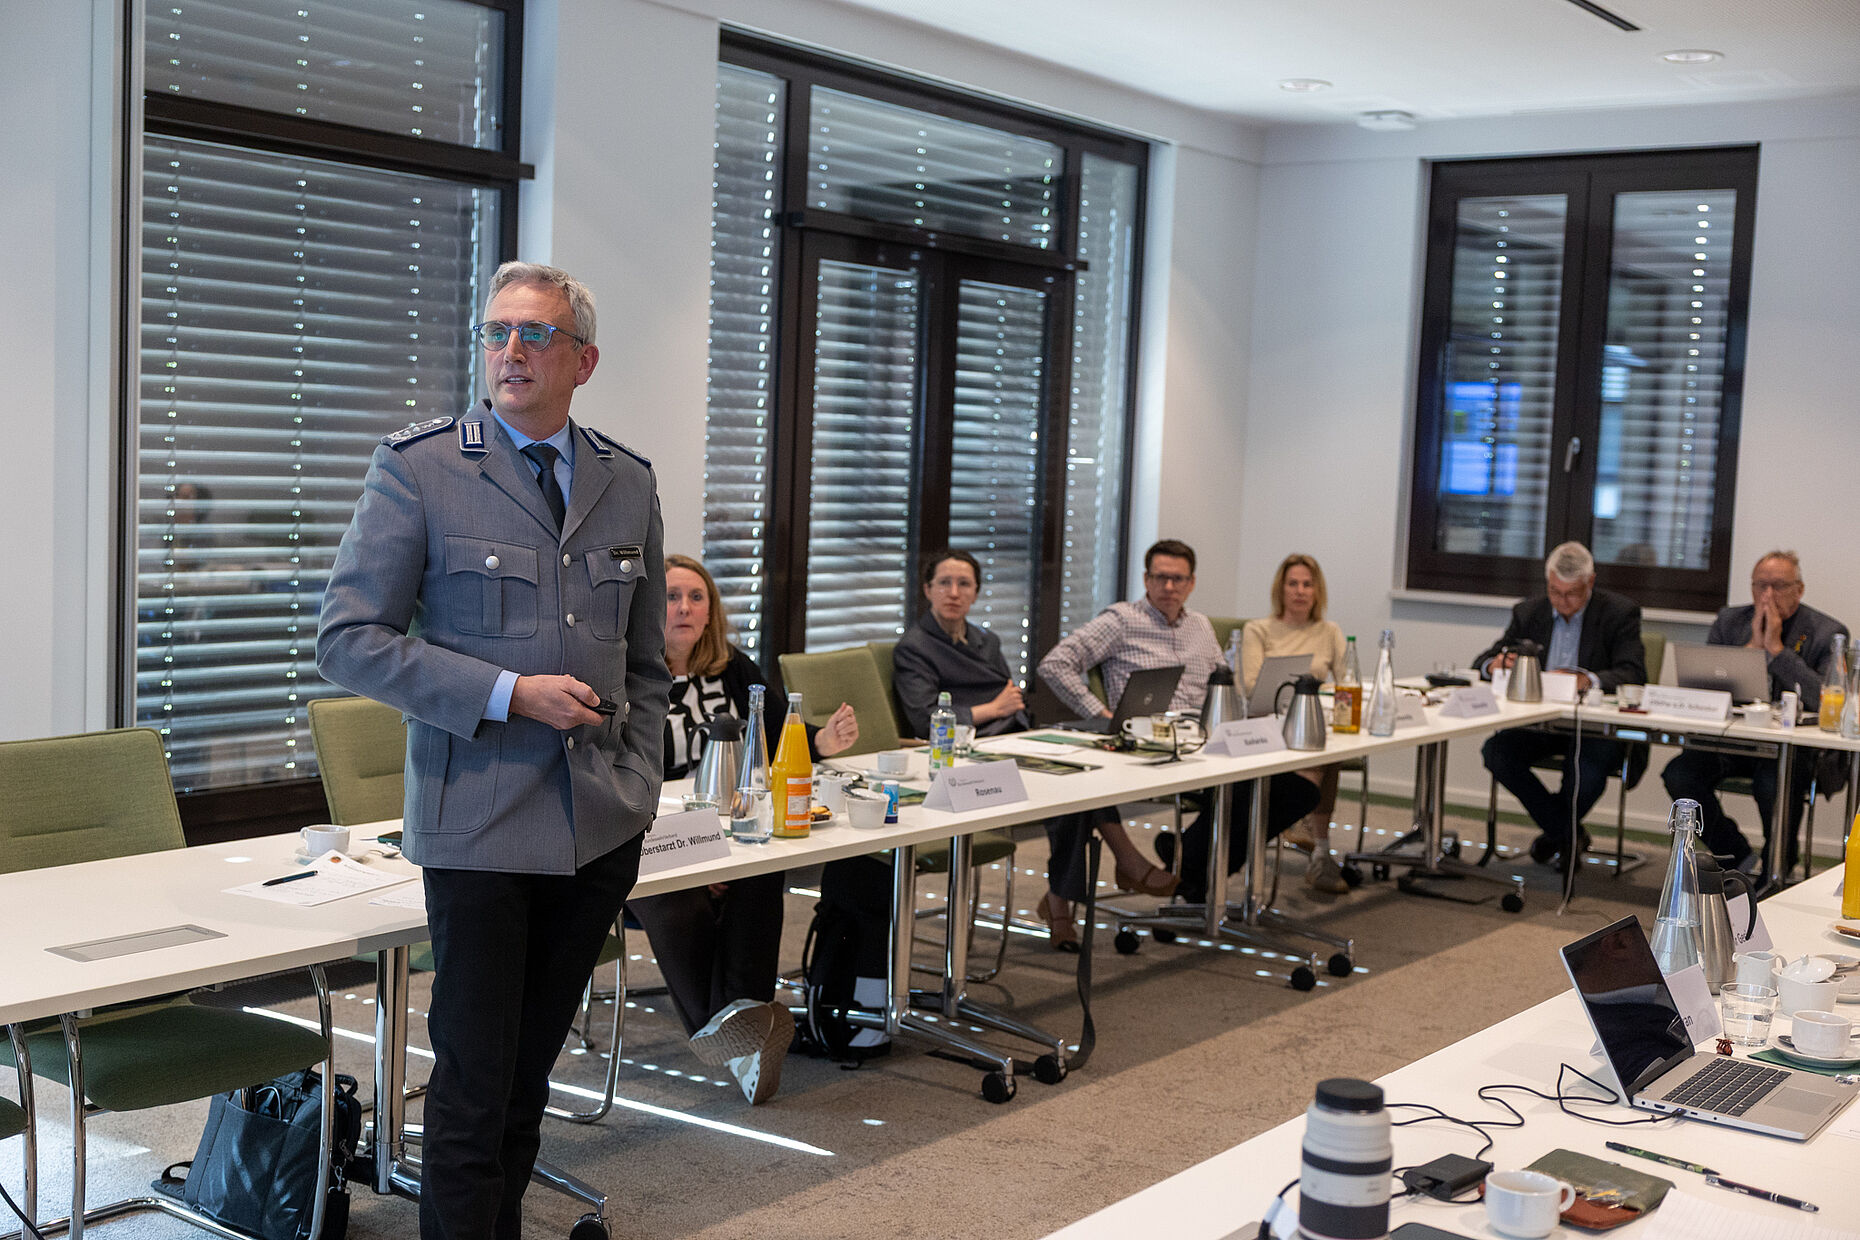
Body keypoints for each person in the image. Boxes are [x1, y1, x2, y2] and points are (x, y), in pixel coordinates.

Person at [318, 262, 671, 1240]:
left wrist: (638, 781)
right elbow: (348, 639)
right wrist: (510, 693)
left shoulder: (627, 480)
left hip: (598, 825)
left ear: (583, 360)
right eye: (497, 332)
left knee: (527, 1080)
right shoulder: (421, 466)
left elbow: (646, 659)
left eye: (537, 335)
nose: (511, 351)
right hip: (477, 822)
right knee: (473, 1089)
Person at [628, 554, 856, 1103]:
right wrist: (697, 856)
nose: (684, 607)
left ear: (711, 611)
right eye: (671, 596)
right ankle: (741, 1036)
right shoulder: (628, 674)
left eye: (696, 597)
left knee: (761, 874)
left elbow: (781, 737)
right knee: (673, 896)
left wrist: (822, 742)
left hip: (732, 838)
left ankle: (737, 1032)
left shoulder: (735, 670)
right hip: (645, 848)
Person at [898, 548, 1175, 949]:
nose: (954, 592)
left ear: (975, 593)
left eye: (964, 584)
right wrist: (990, 709)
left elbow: (1012, 698)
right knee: (1069, 795)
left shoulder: (985, 641)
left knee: (1080, 783)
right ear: (927, 590)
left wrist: (1001, 711)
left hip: (1012, 739)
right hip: (965, 756)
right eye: (944, 583)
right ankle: (1099, 878)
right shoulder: (915, 646)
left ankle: (1064, 900)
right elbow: (926, 718)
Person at [1038, 539, 1319, 919]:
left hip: (1206, 740)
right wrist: (1102, 714)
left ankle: (1189, 865)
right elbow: (1055, 665)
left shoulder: (1200, 626)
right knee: (1249, 789)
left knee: (1296, 790)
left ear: (1191, 583)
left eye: (1178, 579)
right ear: (1146, 579)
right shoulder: (1120, 621)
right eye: (1161, 578)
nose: (1169, 587)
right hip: (1152, 747)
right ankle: (1196, 873)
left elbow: (1223, 682)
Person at [1662, 550, 1849, 872]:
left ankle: (1779, 866)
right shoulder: (1730, 621)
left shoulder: (1826, 633)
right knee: (1680, 774)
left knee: (1773, 785)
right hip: (1732, 741)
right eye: (1760, 586)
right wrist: (1751, 649)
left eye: (1778, 586)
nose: (1767, 595)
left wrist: (1776, 650)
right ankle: (1735, 854)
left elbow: (1828, 700)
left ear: (1799, 589)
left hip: (1790, 751)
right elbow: (1704, 689)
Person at [1472, 542, 1645, 867]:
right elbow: (1481, 661)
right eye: (1555, 591)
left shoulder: (1620, 613)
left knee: (1586, 772)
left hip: (1595, 728)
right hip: (1541, 722)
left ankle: (1557, 835)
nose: (1562, 601)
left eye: (1572, 594)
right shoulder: (1529, 612)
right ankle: (1568, 834)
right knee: (1497, 751)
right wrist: (1495, 665)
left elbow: (1633, 672)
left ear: (1590, 583)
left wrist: (1588, 678)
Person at [1240, 554, 1351, 893]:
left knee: (1321, 743)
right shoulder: (1258, 629)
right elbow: (1250, 685)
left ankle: (1312, 837)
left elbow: (1348, 684)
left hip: (1315, 719)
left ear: (1317, 591)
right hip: (1268, 722)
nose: (1300, 591)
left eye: (1307, 584)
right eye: (1293, 584)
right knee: (1318, 748)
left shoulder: (1329, 631)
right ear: (1281, 588)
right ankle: (1320, 850)